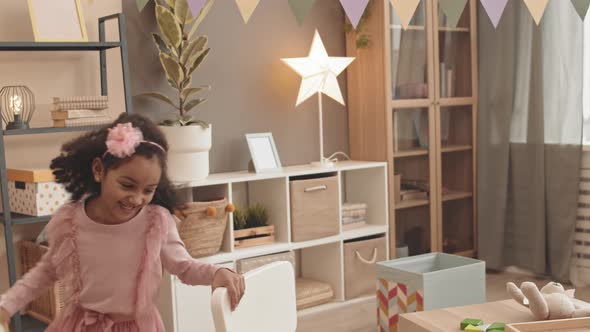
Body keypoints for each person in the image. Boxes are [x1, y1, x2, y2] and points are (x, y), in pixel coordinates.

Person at [0, 113, 244, 331]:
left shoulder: (156, 222)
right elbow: (46, 271)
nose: (137, 198)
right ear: (99, 170)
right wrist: (7, 305)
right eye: (127, 185)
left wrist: (216, 272)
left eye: (148, 190)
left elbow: (185, 267)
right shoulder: (71, 221)